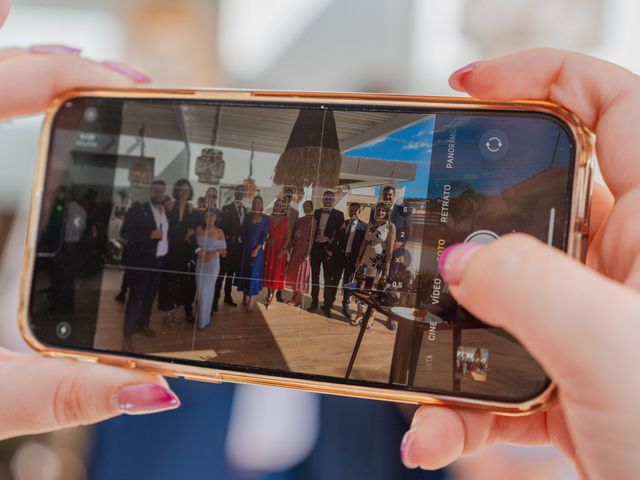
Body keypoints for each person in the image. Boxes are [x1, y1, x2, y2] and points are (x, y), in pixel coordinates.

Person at [120, 180, 170, 351]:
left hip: (159, 261)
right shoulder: (138, 210)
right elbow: (125, 233)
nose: (159, 194)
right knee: (136, 297)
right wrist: (148, 234)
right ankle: (128, 334)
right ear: (151, 192)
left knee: (149, 296)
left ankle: (143, 324)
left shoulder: (164, 211)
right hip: (143, 261)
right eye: (156, 190)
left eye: (162, 191)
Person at [157, 178, 197, 326]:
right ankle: (167, 315)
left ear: (189, 191)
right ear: (177, 191)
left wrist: (191, 230)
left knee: (179, 281)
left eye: (186, 189)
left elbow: (193, 226)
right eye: (181, 189)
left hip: (183, 250)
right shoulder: (169, 205)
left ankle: (173, 313)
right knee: (169, 281)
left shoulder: (191, 208)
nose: (184, 192)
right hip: (170, 248)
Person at [355, 202, 396, 329]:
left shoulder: (390, 226)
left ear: (387, 212)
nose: (380, 212)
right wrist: (358, 258)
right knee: (361, 287)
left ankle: (371, 316)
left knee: (374, 289)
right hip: (366, 260)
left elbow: (390, 249)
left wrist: (386, 268)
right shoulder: (370, 224)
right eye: (378, 210)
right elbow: (364, 242)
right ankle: (359, 314)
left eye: (383, 211)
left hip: (378, 263)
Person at [327, 202, 367, 321]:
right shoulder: (343, 223)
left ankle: (345, 306)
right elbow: (335, 238)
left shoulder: (364, 227)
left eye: (355, 210)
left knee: (348, 284)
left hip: (352, 259)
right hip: (340, 257)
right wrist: (331, 252)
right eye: (351, 210)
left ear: (359, 212)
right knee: (335, 280)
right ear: (348, 210)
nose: (353, 212)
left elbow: (364, 245)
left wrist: (359, 260)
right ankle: (329, 303)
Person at [308, 190, 344, 317]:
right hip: (316, 249)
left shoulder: (339, 214)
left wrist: (328, 239)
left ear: (332, 200)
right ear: (322, 199)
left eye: (329, 199)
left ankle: (327, 305)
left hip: (329, 251)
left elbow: (340, 234)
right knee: (315, 277)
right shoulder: (317, 212)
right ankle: (314, 302)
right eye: (325, 198)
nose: (327, 201)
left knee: (328, 279)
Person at [215, 184, 247, 309]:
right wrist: (222, 247)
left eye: (242, 192)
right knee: (221, 273)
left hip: (238, 249)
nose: (240, 194)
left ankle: (228, 297)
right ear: (235, 193)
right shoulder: (226, 208)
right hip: (227, 246)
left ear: (244, 195)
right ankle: (215, 300)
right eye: (238, 192)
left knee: (231, 274)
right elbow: (221, 229)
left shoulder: (246, 210)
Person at [194, 209, 227, 330]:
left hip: (212, 264)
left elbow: (223, 250)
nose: (209, 217)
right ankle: (201, 319)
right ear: (203, 217)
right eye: (206, 215)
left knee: (208, 290)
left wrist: (211, 255)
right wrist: (200, 253)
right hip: (200, 262)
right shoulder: (198, 229)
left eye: (211, 215)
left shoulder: (219, 232)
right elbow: (194, 244)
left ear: (215, 217)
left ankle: (204, 320)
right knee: (201, 290)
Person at [371, 185, 412, 281]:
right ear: (382, 196)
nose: (387, 197)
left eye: (390, 195)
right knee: (373, 276)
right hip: (378, 250)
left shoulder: (402, 211)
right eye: (385, 195)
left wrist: (401, 242)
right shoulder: (376, 210)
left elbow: (409, 230)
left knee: (389, 278)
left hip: (395, 251)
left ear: (394, 196)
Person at [235, 196, 269, 311]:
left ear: (262, 204)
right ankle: (245, 295)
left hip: (257, 250)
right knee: (246, 272)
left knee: (253, 273)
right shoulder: (248, 216)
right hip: (246, 248)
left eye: (258, 203)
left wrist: (256, 248)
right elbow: (243, 231)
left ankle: (251, 298)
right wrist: (245, 245)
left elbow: (264, 235)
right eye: (254, 203)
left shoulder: (265, 218)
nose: (256, 205)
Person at [285, 200, 315, 307]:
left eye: (307, 206)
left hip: (305, 249)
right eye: (304, 206)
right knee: (295, 273)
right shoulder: (300, 220)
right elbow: (294, 236)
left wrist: (307, 253)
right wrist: (294, 238)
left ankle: (297, 299)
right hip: (297, 248)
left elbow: (312, 239)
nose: (306, 208)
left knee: (302, 275)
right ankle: (294, 296)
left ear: (311, 207)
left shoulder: (313, 220)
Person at [263, 197, 291, 308]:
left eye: (280, 205)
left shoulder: (286, 220)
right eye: (276, 205)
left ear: (283, 207)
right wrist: (267, 240)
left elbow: (288, 237)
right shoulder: (269, 218)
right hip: (269, 249)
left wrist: (283, 250)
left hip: (280, 249)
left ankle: (273, 297)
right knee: (268, 272)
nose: (277, 207)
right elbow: (264, 233)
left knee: (276, 273)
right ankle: (269, 294)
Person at [276, 186, 300, 303]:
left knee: (283, 269)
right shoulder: (277, 208)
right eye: (286, 195)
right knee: (275, 267)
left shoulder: (296, 212)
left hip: (287, 245)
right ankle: (272, 291)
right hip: (276, 244)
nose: (288, 198)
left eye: (290, 196)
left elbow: (295, 229)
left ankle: (279, 292)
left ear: (292, 197)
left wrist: (291, 242)